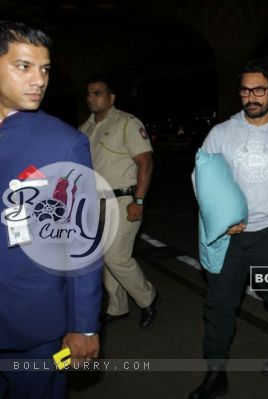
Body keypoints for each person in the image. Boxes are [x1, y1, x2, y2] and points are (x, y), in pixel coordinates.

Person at [189, 59, 268, 399]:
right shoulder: (221, 133)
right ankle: (216, 375)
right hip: (230, 237)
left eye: (259, 90)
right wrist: (219, 219)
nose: (252, 96)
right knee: (218, 306)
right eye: (246, 90)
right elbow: (200, 178)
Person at [0, 20, 102, 397]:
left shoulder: (64, 143)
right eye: (23, 66)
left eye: (44, 69)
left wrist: (85, 325)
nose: (39, 80)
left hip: (37, 325)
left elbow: (83, 238)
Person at [80, 74, 158, 327]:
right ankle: (118, 306)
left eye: (98, 93)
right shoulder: (86, 128)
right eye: (89, 93)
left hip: (124, 199)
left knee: (117, 257)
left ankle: (148, 298)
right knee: (103, 257)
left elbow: (145, 162)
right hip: (95, 202)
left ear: (111, 97)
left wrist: (140, 200)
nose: (92, 98)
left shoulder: (127, 122)